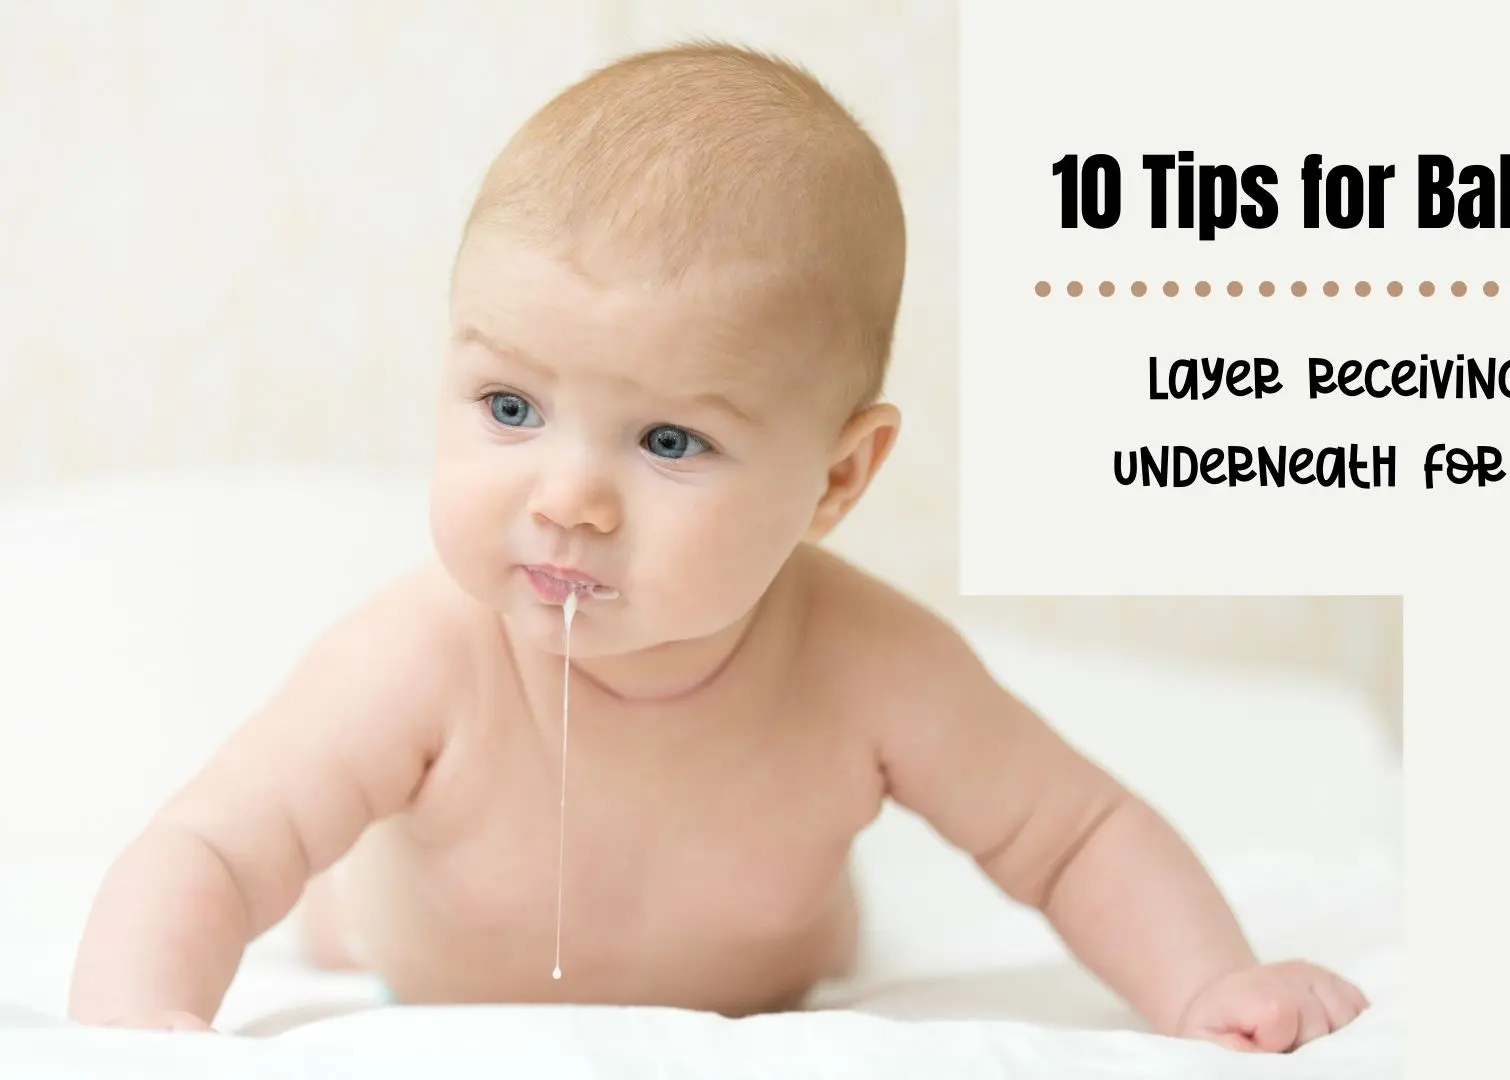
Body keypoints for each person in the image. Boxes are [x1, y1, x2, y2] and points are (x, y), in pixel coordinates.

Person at [67, 43, 1368, 1054]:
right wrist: (139, 1025)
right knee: (328, 893)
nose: (569, 497)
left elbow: (1076, 834)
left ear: (838, 477)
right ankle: (352, 905)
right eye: (510, 409)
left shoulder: (873, 667)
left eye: (672, 443)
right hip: (409, 944)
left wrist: (1210, 981)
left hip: (778, 967)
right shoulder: (421, 658)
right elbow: (214, 851)